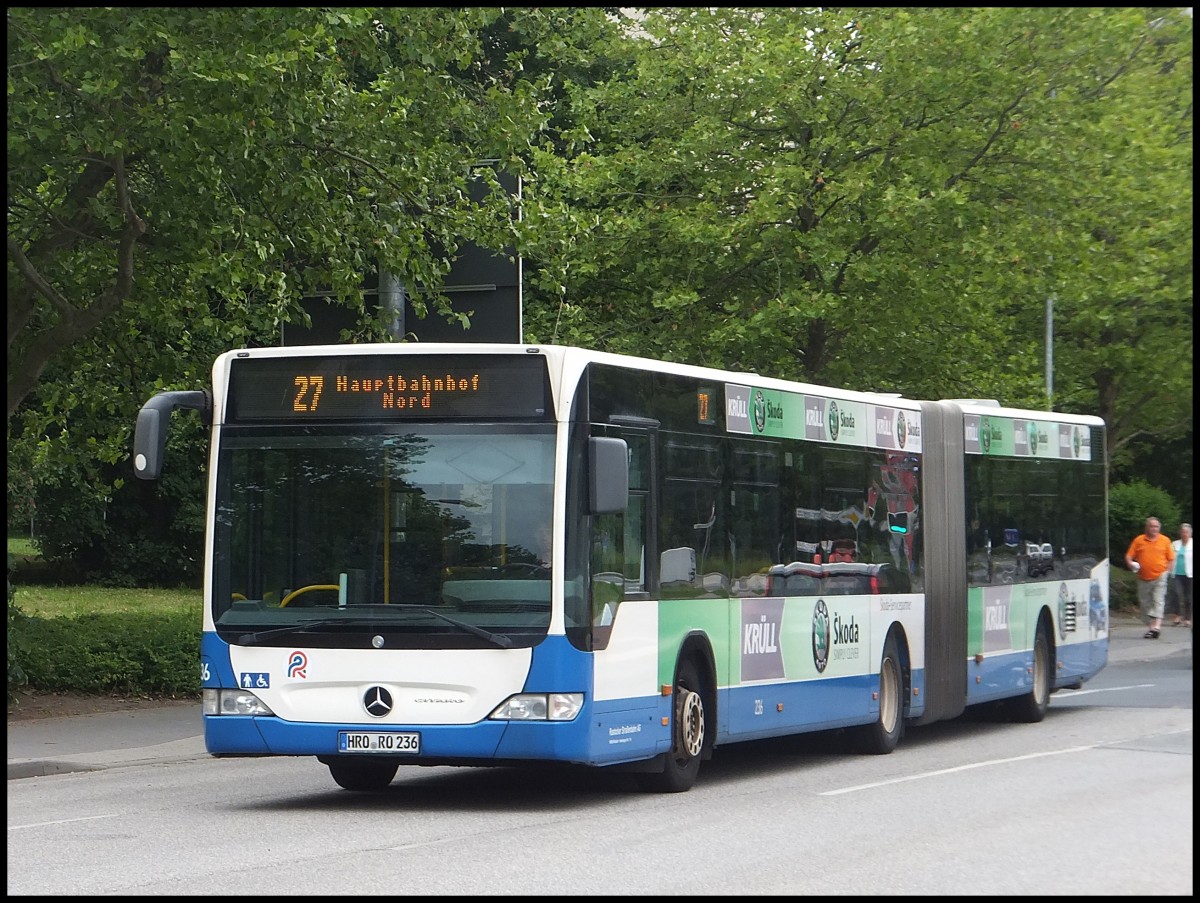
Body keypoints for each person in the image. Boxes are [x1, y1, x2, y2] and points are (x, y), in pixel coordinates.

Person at [1124, 517, 1175, 639]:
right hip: (1143, 577)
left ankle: (1156, 627)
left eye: (1156, 526)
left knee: (1158, 600)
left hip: (1160, 576)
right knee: (1145, 603)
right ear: (1146, 527)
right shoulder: (1139, 540)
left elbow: (1171, 558)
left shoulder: (1165, 540)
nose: (1154, 529)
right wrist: (1130, 564)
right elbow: (1129, 556)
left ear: (1159, 528)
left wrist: (1167, 572)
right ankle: (1151, 627)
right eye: (1151, 526)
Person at [1168, 522, 1192, 628]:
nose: (1184, 534)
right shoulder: (1174, 544)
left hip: (1190, 574)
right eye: (1183, 532)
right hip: (1176, 573)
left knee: (1189, 597)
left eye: (1186, 532)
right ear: (1180, 533)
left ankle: (1188, 618)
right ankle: (1177, 616)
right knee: (1176, 594)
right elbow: (1169, 557)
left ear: (1190, 533)